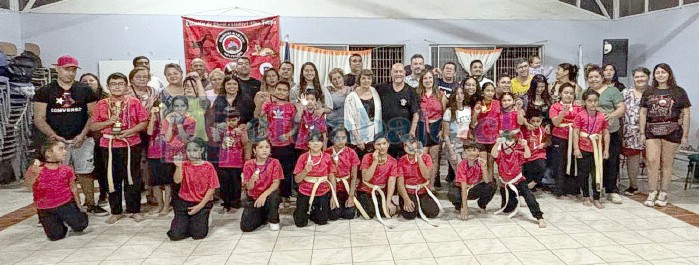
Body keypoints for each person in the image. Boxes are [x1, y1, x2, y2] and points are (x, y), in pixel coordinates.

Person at [33, 55, 102, 215]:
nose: (70, 73)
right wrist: (54, 137)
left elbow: (93, 115)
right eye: (66, 69)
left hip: (82, 139)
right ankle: (52, 207)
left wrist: (83, 134)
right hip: (55, 140)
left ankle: (90, 204)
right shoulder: (45, 91)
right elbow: (39, 118)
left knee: (86, 171)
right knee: (53, 174)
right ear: (57, 69)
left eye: (73, 70)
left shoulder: (85, 90)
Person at [91, 72, 149, 224]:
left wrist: (130, 131)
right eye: (113, 84)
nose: (117, 87)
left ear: (126, 86)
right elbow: (93, 125)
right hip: (109, 145)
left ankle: (134, 209)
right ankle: (116, 210)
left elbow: (144, 122)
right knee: (112, 178)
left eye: (120, 84)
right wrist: (108, 122)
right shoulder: (102, 104)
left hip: (131, 143)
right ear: (108, 86)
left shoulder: (134, 102)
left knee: (133, 177)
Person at [640, 63, 691, 207]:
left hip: (673, 131)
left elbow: (686, 113)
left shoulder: (679, 92)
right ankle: (652, 191)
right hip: (652, 131)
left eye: (663, 72)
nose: (660, 75)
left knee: (667, 163)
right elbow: (643, 112)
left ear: (669, 74)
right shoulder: (649, 92)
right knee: (652, 161)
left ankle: (663, 192)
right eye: (657, 72)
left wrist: (685, 135)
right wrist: (642, 132)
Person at [24, 139, 89, 241]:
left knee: (80, 225)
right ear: (48, 153)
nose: (65, 151)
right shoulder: (36, 169)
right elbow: (28, 185)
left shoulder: (66, 169)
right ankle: (58, 223)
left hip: (65, 203)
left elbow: (73, 188)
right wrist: (34, 174)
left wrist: (79, 205)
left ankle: (75, 217)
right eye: (61, 149)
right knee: (56, 236)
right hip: (45, 208)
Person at [582, 65, 626, 204]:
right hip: (589, 137)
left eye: (596, 77)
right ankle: (593, 192)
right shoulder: (584, 92)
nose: (593, 80)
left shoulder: (612, 91)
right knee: (592, 165)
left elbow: (621, 108)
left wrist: (611, 115)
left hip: (609, 132)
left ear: (602, 77)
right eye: (590, 77)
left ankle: (611, 190)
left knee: (611, 162)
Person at [168, 138, 219, 240]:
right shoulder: (184, 165)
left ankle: (201, 218)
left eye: (195, 150)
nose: (191, 153)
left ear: (202, 150)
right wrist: (178, 167)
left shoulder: (208, 166)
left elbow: (212, 188)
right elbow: (177, 181)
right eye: (188, 150)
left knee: (198, 235)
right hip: (184, 202)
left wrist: (199, 206)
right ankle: (185, 223)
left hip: (201, 202)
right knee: (175, 235)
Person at [491, 134, 546, 228]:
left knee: (529, 197)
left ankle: (539, 217)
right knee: (508, 208)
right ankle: (515, 202)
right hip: (506, 184)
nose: (508, 147)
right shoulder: (500, 155)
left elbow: (527, 155)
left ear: (515, 145)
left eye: (511, 144)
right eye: (506, 144)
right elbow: (493, 154)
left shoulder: (517, 154)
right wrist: (496, 144)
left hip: (519, 181)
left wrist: (525, 145)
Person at [255, 81, 297, 204]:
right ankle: (272, 194)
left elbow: (296, 125)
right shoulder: (269, 105)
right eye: (279, 89)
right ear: (274, 90)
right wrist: (260, 103)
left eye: (284, 90)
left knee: (286, 170)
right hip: (271, 144)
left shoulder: (291, 106)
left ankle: (286, 195)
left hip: (286, 144)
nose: (281, 92)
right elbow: (258, 115)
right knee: (272, 170)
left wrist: (289, 134)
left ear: (288, 92)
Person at [128, 66, 159, 206]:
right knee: (136, 163)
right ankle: (134, 196)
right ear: (132, 79)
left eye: (145, 76)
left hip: (151, 131)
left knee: (149, 163)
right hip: (132, 132)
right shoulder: (127, 92)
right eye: (138, 76)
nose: (142, 79)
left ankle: (150, 193)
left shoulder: (153, 91)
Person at [573, 89, 610, 209]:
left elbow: (605, 133)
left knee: (597, 174)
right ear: (585, 102)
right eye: (590, 101)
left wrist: (606, 150)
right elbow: (576, 132)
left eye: (595, 101)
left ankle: (597, 197)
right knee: (583, 174)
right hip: (583, 148)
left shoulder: (602, 116)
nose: (593, 103)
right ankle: (585, 196)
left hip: (597, 150)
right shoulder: (580, 115)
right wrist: (576, 148)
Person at [293, 132, 338, 227]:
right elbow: (297, 179)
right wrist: (305, 171)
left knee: (322, 221)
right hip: (305, 191)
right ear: (308, 144)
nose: (315, 143)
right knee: (300, 223)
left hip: (322, 191)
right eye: (312, 141)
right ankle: (301, 210)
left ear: (322, 143)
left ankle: (314, 211)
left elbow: (332, 177)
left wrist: (334, 196)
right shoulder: (303, 157)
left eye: (318, 141)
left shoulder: (327, 157)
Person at [79, 73, 110, 208]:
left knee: (103, 167)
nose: (88, 83)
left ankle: (104, 193)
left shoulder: (106, 99)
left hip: (103, 138)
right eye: (84, 81)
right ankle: (88, 199)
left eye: (91, 80)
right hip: (85, 137)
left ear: (98, 82)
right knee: (87, 170)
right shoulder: (76, 98)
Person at [240, 138, 284, 232]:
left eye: (267, 147)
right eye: (261, 147)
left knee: (274, 195)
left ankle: (273, 220)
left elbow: (276, 183)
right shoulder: (248, 164)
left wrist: (263, 195)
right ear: (255, 150)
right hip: (254, 197)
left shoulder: (275, 162)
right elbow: (248, 187)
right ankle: (263, 215)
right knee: (246, 227)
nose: (264, 150)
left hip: (269, 195)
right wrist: (252, 180)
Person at [376, 63, 419, 158]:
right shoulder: (381, 88)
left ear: (404, 73)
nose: (398, 74)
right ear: (391, 73)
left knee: (403, 161)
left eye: (400, 71)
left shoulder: (411, 91)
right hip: (385, 133)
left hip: (404, 134)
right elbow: (368, 92)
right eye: (395, 71)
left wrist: (412, 132)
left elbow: (416, 113)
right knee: (386, 161)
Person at [396, 136, 442, 225]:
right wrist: (406, 199)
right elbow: (400, 184)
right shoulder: (401, 161)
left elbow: (427, 176)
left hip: (422, 190)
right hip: (408, 191)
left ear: (416, 144)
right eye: (406, 145)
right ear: (404, 147)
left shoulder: (426, 157)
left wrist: (419, 158)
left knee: (433, 213)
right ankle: (413, 205)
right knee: (409, 215)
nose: (410, 147)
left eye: (412, 144)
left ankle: (419, 205)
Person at [212, 108, 250, 212]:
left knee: (235, 183)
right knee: (224, 184)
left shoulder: (242, 130)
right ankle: (226, 202)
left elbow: (246, 143)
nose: (231, 122)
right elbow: (216, 140)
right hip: (223, 162)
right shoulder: (223, 130)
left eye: (234, 120)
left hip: (236, 162)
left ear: (238, 119)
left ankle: (235, 202)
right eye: (229, 120)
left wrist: (241, 133)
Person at [356, 136, 398, 227]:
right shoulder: (367, 157)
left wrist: (388, 201)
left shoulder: (393, 161)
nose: (381, 147)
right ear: (374, 146)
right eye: (378, 144)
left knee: (389, 212)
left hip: (381, 192)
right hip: (366, 191)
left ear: (388, 145)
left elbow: (391, 182)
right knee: (368, 213)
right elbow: (366, 178)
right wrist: (375, 161)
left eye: (384, 144)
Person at [549, 83, 583, 198]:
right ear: (560, 94)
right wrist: (563, 112)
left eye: (571, 93)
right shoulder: (555, 106)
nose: (568, 95)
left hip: (574, 138)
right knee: (560, 163)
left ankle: (573, 190)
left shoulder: (579, 108)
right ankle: (560, 190)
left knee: (574, 163)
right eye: (566, 93)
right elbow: (555, 123)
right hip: (559, 138)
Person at [448, 142, 496, 219]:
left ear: (478, 152)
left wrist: (484, 168)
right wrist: (465, 208)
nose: (471, 153)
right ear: (465, 152)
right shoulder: (462, 165)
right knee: (453, 194)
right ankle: (459, 206)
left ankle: (482, 204)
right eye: (469, 150)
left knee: (491, 185)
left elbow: (487, 181)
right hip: (461, 187)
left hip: (473, 187)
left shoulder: (480, 163)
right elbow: (463, 187)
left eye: (474, 150)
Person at [415, 71, 447, 188]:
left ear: (433, 80)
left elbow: (445, 115)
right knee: (422, 156)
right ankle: (421, 183)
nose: (428, 80)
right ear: (421, 81)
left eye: (430, 78)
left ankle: (431, 185)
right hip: (422, 128)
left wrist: (443, 131)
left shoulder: (440, 95)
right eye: (425, 79)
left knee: (434, 158)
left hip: (436, 128)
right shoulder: (417, 95)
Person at [621, 67, 650, 196]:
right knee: (632, 159)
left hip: (651, 132)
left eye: (642, 76)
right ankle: (633, 186)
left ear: (648, 77)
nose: (640, 79)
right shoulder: (626, 93)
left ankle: (653, 188)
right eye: (637, 77)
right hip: (630, 132)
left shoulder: (654, 92)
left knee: (651, 160)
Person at [344, 69, 383, 158]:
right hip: (358, 137)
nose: (366, 81)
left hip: (375, 135)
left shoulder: (374, 91)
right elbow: (349, 119)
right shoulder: (351, 97)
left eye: (369, 78)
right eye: (363, 78)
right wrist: (358, 139)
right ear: (359, 80)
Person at [326, 127, 360, 220]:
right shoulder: (326, 153)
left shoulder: (351, 153)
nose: (341, 141)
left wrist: (351, 196)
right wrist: (332, 196)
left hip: (347, 188)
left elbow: (354, 177)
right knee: (334, 215)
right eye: (337, 138)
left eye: (343, 138)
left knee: (349, 214)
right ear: (332, 139)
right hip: (331, 189)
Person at [146, 97, 172, 216]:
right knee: (155, 182)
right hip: (153, 154)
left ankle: (167, 205)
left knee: (167, 182)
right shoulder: (151, 120)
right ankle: (160, 204)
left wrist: (163, 116)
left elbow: (165, 133)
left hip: (167, 154)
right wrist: (152, 116)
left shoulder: (170, 120)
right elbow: (150, 132)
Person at [442, 86, 472, 184]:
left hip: (465, 145)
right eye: (457, 94)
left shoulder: (468, 109)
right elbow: (445, 134)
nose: (459, 96)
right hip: (453, 145)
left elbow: (470, 128)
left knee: (466, 171)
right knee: (459, 171)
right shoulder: (449, 111)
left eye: (462, 93)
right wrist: (451, 151)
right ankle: (458, 194)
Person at [471, 80, 498, 181]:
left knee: (491, 164)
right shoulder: (478, 105)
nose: (490, 93)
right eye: (488, 91)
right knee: (483, 163)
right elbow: (473, 123)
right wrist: (476, 113)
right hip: (480, 139)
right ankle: (483, 184)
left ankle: (490, 184)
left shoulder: (497, 104)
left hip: (493, 139)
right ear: (483, 93)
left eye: (492, 91)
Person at [521, 109, 550, 192]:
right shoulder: (525, 130)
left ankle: (535, 182)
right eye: (533, 121)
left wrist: (544, 144)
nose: (535, 123)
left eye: (538, 121)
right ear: (528, 121)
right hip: (528, 154)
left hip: (539, 154)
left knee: (542, 167)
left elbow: (548, 141)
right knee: (529, 171)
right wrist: (527, 141)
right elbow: (520, 141)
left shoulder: (543, 130)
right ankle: (531, 187)